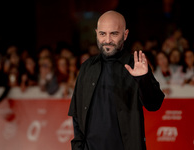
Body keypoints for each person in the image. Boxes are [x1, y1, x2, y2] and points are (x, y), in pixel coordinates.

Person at [68, 10, 164, 150]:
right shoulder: (87, 67)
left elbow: (154, 104)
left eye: (114, 33)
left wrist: (143, 79)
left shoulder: (135, 65)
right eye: (102, 34)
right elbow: (77, 115)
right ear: (96, 33)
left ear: (125, 35)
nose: (107, 40)